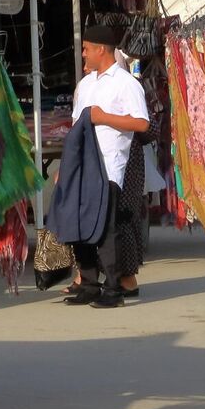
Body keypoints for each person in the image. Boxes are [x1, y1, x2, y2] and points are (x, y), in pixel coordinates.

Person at [64, 25, 151, 307]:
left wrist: (105, 118)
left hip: (109, 165)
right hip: (83, 164)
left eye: (87, 48)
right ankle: (89, 283)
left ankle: (113, 288)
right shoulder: (85, 84)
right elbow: (77, 127)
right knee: (80, 225)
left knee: (107, 229)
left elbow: (141, 123)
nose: (83, 54)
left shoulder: (126, 84)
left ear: (101, 49)